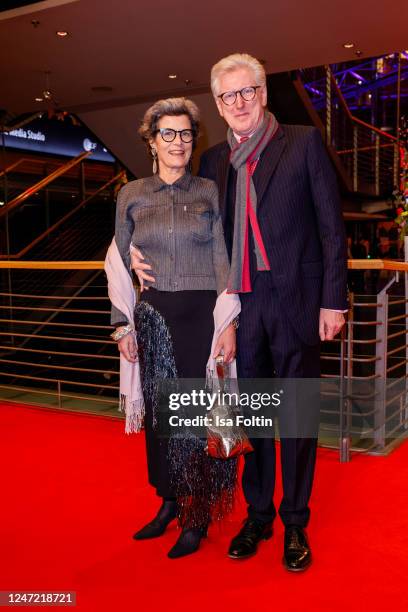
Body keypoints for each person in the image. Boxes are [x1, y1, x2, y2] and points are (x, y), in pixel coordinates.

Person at [132, 54, 348, 571]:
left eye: (246, 92)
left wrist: (333, 300)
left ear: (263, 93)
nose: (239, 103)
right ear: (219, 105)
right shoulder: (209, 162)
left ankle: (295, 521)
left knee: (294, 417)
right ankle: (259, 515)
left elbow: (331, 228)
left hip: (297, 300)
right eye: (228, 96)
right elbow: (182, 221)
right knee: (254, 416)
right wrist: (135, 252)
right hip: (237, 309)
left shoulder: (301, 143)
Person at [105, 97, 240, 559]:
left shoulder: (207, 191)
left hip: (200, 318)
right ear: (152, 141)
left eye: (186, 134)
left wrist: (228, 321)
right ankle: (168, 500)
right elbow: (118, 262)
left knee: (194, 416)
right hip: (153, 318)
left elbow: (225, 259)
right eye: (169, 134)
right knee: (162, 423)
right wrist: (122, 324)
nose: (179, 142)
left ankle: (196, 513)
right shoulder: (131, 194)